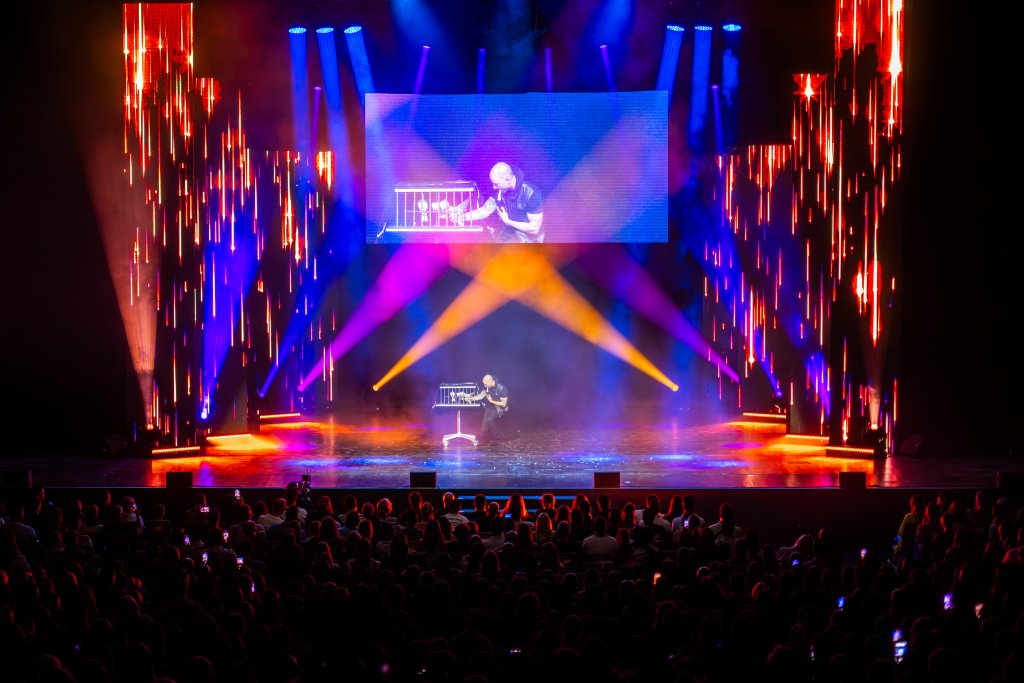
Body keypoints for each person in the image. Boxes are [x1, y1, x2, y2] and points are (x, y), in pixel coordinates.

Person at [452, 162, 544, 243]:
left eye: (496, 184)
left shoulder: (531, 193)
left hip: (529, 239)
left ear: (507, 179)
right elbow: (484, 211)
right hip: (509, 235)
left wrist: (508, 222)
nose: (494, 187)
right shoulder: (500, 191)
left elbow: (534, 229)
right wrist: (463, 217)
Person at [463, 374, 509, 442]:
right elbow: (480, 396)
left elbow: (503, 404)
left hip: (499, 407)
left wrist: (491, 401)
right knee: (483, 429)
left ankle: (497, 436)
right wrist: (470, 398)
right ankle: (488, 437)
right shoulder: (487, 388)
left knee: (489, 419)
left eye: (485, 384)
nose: (484, 386)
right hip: (491, 406)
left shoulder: (502, 388)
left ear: (490, 381)